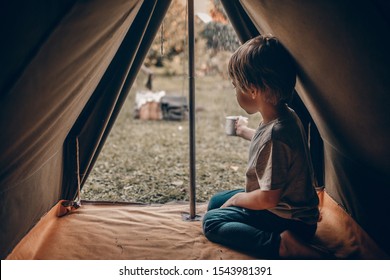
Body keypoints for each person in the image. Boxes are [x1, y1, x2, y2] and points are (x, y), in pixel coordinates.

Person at [202, 35, 324, 259]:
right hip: (293, 210)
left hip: (289, 219)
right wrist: (243, 132)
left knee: (212, 221)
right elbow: (271, 148)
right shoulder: (284, 116)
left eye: (235, 86)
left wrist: (237, 200)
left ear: (252, 90)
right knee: (216, 202)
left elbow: (268, 199)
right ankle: (280, 235)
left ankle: (281, 244)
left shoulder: (276, 135)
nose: (235, 91)